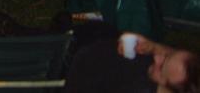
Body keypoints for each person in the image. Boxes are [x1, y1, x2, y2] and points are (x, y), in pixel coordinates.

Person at [65, 31, 200, 93]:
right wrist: (154, 47)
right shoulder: (181, 74)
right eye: (168, 55)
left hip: (73, 69)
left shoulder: (137, 87)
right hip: (93, 45)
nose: (157, 57)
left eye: (161, 67)